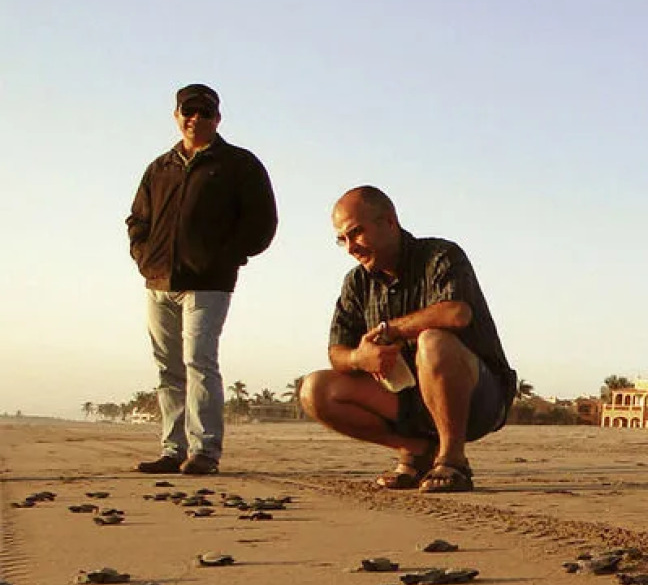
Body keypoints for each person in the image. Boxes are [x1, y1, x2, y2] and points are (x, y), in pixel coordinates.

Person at [300, 186, 515, 493]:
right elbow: (337, 352)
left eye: (356, 233)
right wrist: (359, 358)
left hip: (479, 400)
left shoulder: (440, 255)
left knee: (433, 343)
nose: (350, 247)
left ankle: (452, 459)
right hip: (407, 400)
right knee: (315, 389)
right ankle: (415, 450)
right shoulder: (356, 283)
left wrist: (392, 330)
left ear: (389, 222)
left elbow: (456, 313)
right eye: (341, 239)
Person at [126, 83, 277, 476]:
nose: (196, 119)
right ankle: (172, 450)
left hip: (209, 284)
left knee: (199, 361)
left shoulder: (239, 165)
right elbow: (137, 219)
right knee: (167, 368)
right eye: (188, 111)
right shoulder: (160, 167)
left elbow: (262, 223)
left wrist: (225, 256)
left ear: (218, 118)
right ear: (176, 116)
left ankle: (205, 451)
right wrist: (144, 258)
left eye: (205, 112)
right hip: (158, 282)